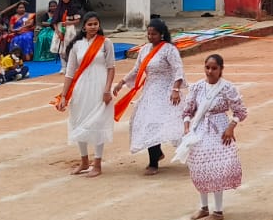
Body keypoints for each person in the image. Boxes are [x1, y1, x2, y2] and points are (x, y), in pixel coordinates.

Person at [179, 54, 249, 220]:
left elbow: (240, 111)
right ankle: (203, 207)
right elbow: (187, 110)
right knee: (199, 166)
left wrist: (230, 128)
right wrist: (187, 128)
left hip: (219, 130)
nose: (210, 71)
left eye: (214, 68)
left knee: (216, 167)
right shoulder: (197, 87)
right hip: (199, 129)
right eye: (207, 67)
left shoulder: (227, 88)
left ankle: (218, 210)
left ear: (221, 69)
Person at [114, 19, 187, 174]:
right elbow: (136, 70)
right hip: (150, 90)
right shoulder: (145, 49)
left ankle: (154, 162)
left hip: (166, 91)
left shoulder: (169, 49)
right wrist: (121, 82)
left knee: (159, 123)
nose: (150, 36)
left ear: (161, 34)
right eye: (148, 33)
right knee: (147, 122)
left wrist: (175, 89)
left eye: (154, 34)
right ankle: (156, 154)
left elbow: (178, 69)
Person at [54, 13, 117, 178]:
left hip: (100, 87)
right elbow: (70, 72)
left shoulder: (106, 43)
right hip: (81, 88)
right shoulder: (77, 45)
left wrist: (107, 90)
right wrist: (63, 95)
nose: (93, 27)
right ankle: (84, 161)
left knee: (98, 122)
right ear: (84, 27)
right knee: (78, 120)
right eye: (90, 24)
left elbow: (111, 68)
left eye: (96, 24)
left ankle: (97, 163)